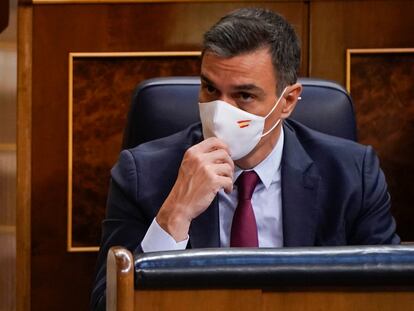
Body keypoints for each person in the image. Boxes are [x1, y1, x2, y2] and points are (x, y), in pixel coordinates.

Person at [90, 8, 399, 310]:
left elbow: (391, 293)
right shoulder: (142, 173)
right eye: (210, 89)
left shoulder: (353, 174)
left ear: (288, 101)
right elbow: (108, 304)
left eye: (244, 96)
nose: (220, 112)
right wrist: (175, 215)